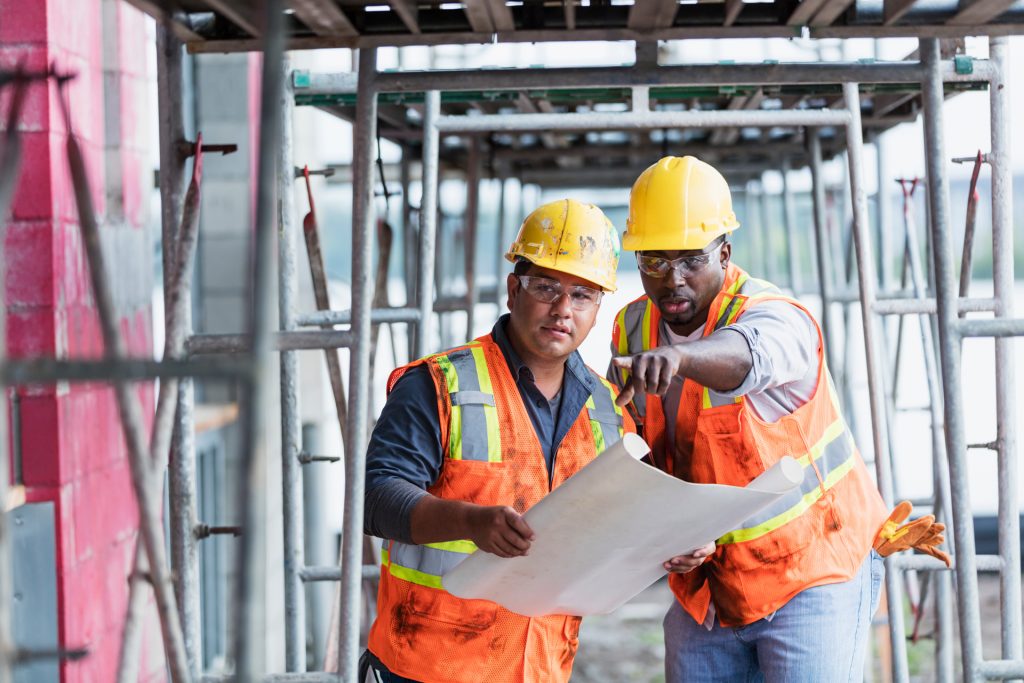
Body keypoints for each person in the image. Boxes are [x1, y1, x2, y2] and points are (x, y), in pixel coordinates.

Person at [608, 156, 950, 682]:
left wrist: (683, 358)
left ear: (724, 252)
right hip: (710, 584)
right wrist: (670, 530)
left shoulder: (773, 315)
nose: (672, 279)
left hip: (811, 571)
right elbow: (641, 452)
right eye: (654, 261)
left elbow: (748, 357)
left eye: (690, 259)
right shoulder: (634, 327)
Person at [360, 198, 635, 683]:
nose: (562, 310)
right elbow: (377, 499)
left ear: (598, 309)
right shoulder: (439, 385)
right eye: (546, 287)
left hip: (541, 667)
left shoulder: (609, 410)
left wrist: (664, 548)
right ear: (513, 289)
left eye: (582, 295)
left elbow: (618, 527)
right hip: (425, 667)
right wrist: (470, 522)